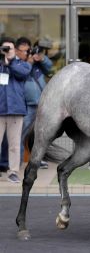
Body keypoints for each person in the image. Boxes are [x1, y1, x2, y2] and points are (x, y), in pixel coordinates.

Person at [16, 37, 53, 169]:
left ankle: (37, 159)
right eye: (25, 51)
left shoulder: (38, 64)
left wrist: (41, 58)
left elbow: (50, 67)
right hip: (26, 105)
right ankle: (17, 162)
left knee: (40, 135)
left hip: (41, 105)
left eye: (28, 50)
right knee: (20, 134)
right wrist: (30, 62)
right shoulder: (17, 64)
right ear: (17, 51)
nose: (27, 53)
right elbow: (22, 74)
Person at [0, 37, 32, 183]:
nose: (7, 51)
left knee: (14, 144)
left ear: (15, 50)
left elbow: (22, 74)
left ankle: (13, 171)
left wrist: (11, 61)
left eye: (10, 48)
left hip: (16, 109)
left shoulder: (22, 64)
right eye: (5, 48)